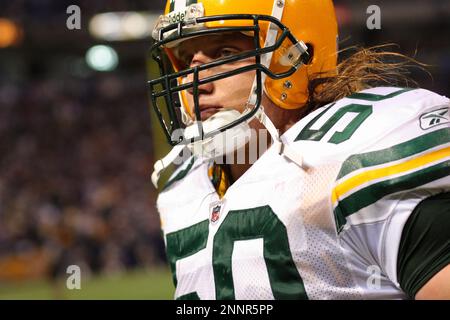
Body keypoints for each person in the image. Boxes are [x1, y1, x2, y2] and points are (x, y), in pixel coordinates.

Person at [148, 0, 450, 299]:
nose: (193, 82)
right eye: (186, 60)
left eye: (226, 53)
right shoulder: (181, 192)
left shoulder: (357, 156)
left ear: (295, 57)